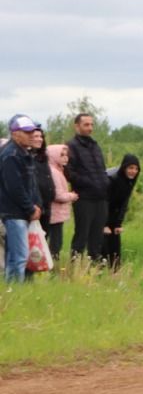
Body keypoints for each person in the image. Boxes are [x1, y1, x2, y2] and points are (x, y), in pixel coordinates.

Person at [1, 115, 43, 283]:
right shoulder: (11, 155)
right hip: (14, 213)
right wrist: (30, 208)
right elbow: (15, 187)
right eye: (26, 132)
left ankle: (10, 290)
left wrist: (37, 204)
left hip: (21, 212)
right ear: (15, 134)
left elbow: (30, 184)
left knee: (14, 256)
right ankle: (14, 291)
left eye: (32, 131)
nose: (31, 135)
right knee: (20, 257)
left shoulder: (23, 152)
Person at [64, 112, 110, 263]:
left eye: (92, 124)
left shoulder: (95, 145)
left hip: (101, 197)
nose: (90, 128)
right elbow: (70, 172)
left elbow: (101, 169)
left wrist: (104, 183)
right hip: (84, 198)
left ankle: (95, 268)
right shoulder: (71, 146)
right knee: (82, 234)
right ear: (77, 126)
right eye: (86, 124)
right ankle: (74, 266)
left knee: (97, 236)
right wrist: (89, 183)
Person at [102, 154, 140, 271]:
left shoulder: (129, 181)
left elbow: (124, 203)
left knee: (115, 248)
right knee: (103, 247)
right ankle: (97, 274)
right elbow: (105, 202)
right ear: (124, 168)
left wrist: (118, 223)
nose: (133, 171)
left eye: (136, 169)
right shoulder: (112, 179)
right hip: (102, 215)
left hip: (114, 216)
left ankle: (115, 274)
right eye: (130, 168)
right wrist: (105, 224)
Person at [45, 143, 78, 263]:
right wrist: (72, 196)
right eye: (62, 155)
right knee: (55, 243)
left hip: (56, 214)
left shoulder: (57, 170)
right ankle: (50, 265)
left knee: (55, 242)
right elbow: (57, 195)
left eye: (66, 155)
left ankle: (50, 265)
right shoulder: (53, 172)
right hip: (54, 214)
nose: (66, 158)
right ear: (53, 156)